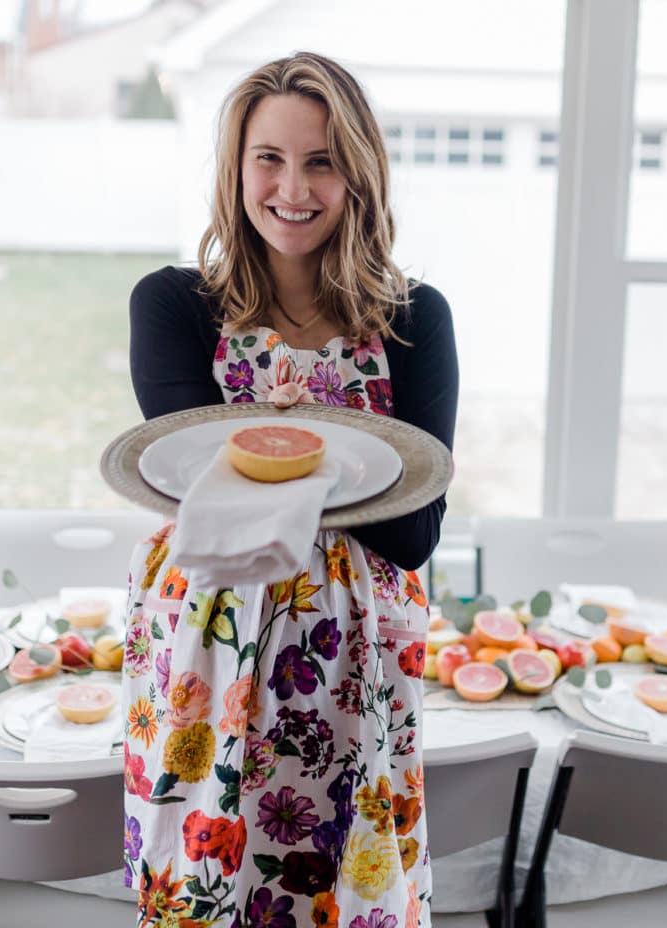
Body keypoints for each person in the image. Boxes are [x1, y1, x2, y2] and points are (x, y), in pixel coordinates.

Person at [123, 52, 458, 928]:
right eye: (268, 158)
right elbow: (195, 488)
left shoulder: (417, 321)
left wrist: (271, 443)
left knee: (347, 892)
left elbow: (415, 531)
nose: (292, 188)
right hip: (210, 657)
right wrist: (356, 456)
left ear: (358, 174)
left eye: (320, 161)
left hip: (361, 675)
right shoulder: (174, 306)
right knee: (205, 891)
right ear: (236, 170)